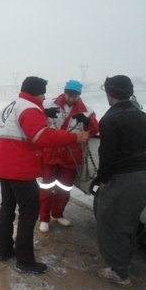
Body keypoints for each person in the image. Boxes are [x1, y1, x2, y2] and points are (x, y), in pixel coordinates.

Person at [0, 76, 90, 274]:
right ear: (37, 92)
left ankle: (3, 251)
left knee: (7, 209)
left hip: (5, 167)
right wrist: (75, 136)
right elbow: (41, 136)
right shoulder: (29, 108)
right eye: (43, 93)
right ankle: (25, 261)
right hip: (21, 169)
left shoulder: (12, 105)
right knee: (29, 214)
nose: (44, 97)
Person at [94, 75, 146, 286]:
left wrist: (103, 179)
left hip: (122, 179)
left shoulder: (110, 119)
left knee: (110, 223)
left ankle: (119, 272)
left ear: (110, 93)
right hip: (145, 177)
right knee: (129, 222)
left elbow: (107, 154)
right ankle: (124, 263)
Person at [38, 80, 99, 233]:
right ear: (65, 92)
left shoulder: (87, 111)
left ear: (79, 95)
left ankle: (57, 214)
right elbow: (34, 121)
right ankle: (44, 218)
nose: (71, 98)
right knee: (47, 188)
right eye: (69, 94)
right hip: (51, 153)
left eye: (74, 95)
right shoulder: (48, 104)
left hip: (71, 156)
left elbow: (94, 129)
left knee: (64, 189)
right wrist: (43, 114)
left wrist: (87, 122)